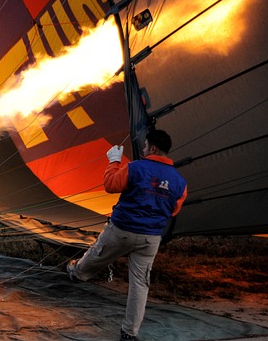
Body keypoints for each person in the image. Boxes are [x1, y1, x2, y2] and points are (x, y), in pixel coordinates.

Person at [66, 129, 187, 341]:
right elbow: (174, 210)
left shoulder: (136, 168)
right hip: (151, 239)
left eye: (146, 145)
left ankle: (77, 273)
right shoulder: (180, 182)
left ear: (153, 148)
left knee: (97, 255)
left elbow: (110, 185)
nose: (143, 148)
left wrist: (114, 161)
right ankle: (129, 333)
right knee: (140, 284)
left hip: (122, 230)